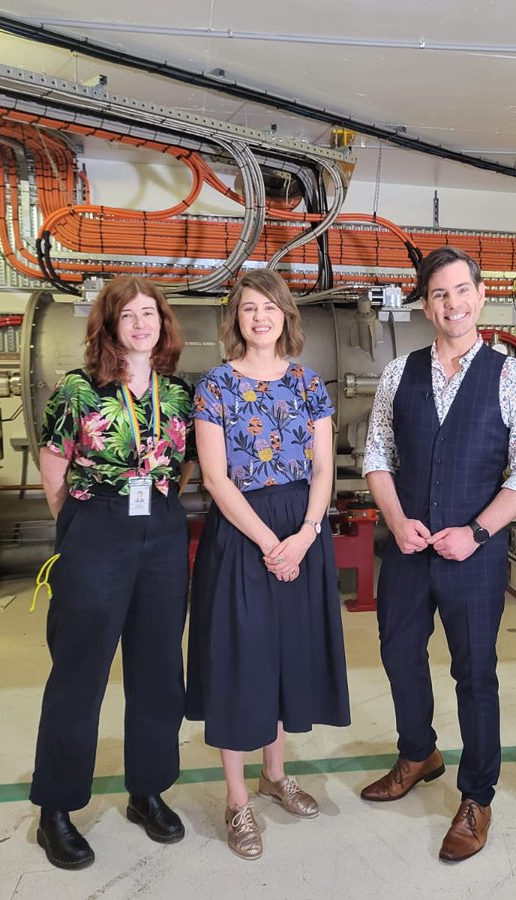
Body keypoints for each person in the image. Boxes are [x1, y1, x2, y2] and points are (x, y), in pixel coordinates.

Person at [360, 246, 516, 862]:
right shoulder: (398, 373)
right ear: (425, 304)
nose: (452, 303)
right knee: (398, 654)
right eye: (439, 294)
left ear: (481, 294)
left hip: (476, 555)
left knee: (475, 672)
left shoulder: (513, 377)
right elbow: (379, 455)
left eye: (461, 290)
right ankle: (418, 752)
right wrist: (395, 517)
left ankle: (477, 795)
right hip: (409, 550)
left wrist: (479, 532)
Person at [186, 268, 350, 861]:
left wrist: (305, 535)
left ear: (286, 316)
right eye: (249, 308)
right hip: (240, 532)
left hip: (301, 528)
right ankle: (236, 800)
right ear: (236, 318)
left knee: (285, 657)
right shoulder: (215, 386)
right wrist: (267, 542)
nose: (260, 317)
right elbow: (214, 477)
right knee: (239, 661)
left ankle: (275, 775)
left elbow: (325, 469)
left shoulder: (308, 383)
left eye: (270, 307)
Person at [31, 275, 194, 869]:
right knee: (81, 670)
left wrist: (154, 511)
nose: (141, 324)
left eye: (150, 314)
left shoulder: (178, 392)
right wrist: (75, 522)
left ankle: (146, 790)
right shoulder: (80, 388)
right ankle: (55, 807)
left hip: (162, 531)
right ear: (110, 326)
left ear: (163, 325)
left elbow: (181, 465)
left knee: (156, 669)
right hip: (97, 527)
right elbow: (53, 457)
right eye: (129, 315)